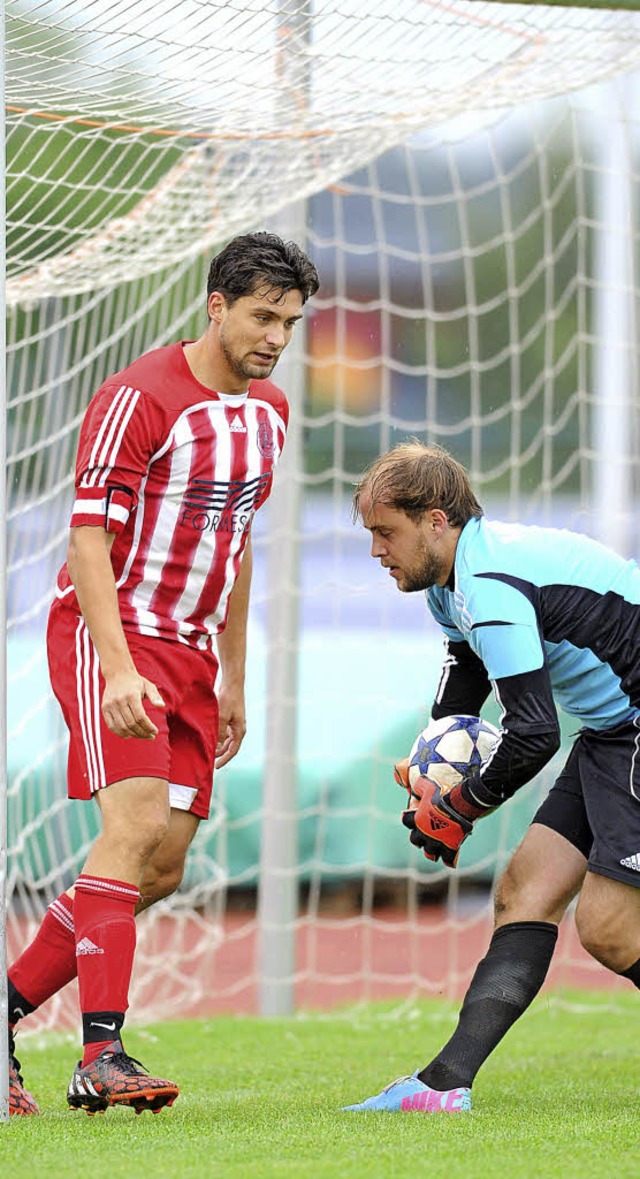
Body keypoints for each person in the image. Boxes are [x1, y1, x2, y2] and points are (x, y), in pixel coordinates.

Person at [7, 231, 320, 1117]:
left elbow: (236, 541)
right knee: (134, 825)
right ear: (216, 305)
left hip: (190, 651)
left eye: (290, 322)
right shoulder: (137, 397)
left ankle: (5, 1011)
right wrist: (114, 669)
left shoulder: (272, 412)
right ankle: (101, 1051)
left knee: (163, 865)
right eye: (263, 316)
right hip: (111, 634)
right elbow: (87, 538)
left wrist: (232, 676)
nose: (275, 337)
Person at [344, 440, 640, 1114]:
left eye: (386, 532)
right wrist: (427, 778)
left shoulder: (489, 584)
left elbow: (533, 731)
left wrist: (465, 804)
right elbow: (461, 696)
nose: (376, 551)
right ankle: (444, 1084)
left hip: (632, 723)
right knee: (523, 891)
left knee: (609, 926)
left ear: (436, 522)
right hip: (613, 728)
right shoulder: (450, 586)